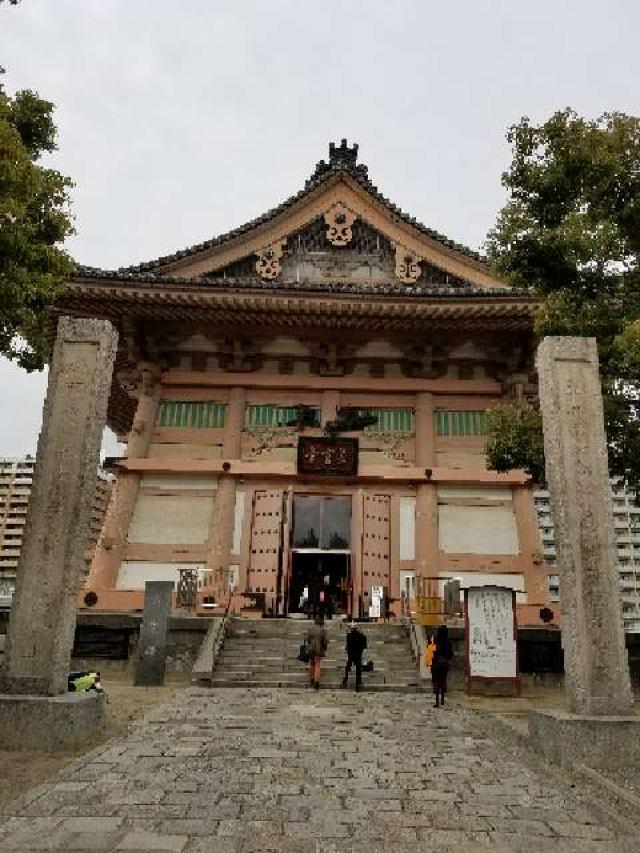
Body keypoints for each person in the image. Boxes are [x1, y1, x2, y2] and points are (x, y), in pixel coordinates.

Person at [431, 624, 453, 708]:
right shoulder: (448, 642)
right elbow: (450, 654)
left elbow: (432, 652)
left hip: (436, 664)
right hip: (444, 664)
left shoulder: (435, 641)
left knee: (436, 681)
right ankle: (442, 699)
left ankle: (437, 701)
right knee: (443, 680)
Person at [342, 620, 367, 692]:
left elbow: (347, 646)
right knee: (358, 669)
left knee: (348, 666)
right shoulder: (361, 636)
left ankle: (346, 678)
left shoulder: (349, 635)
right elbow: (364, 645)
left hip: (351, 654)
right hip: (358, 654)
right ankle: (358, 683)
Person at [306, 615, 328, 690]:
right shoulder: (322, 630)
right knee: (317, 664)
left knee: (312, 664)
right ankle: (317, 682)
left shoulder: (310, 629)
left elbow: (308, 639)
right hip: (319, 649)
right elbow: (325, 641)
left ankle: (312, 679)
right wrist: (324, 648)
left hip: (311, 648)